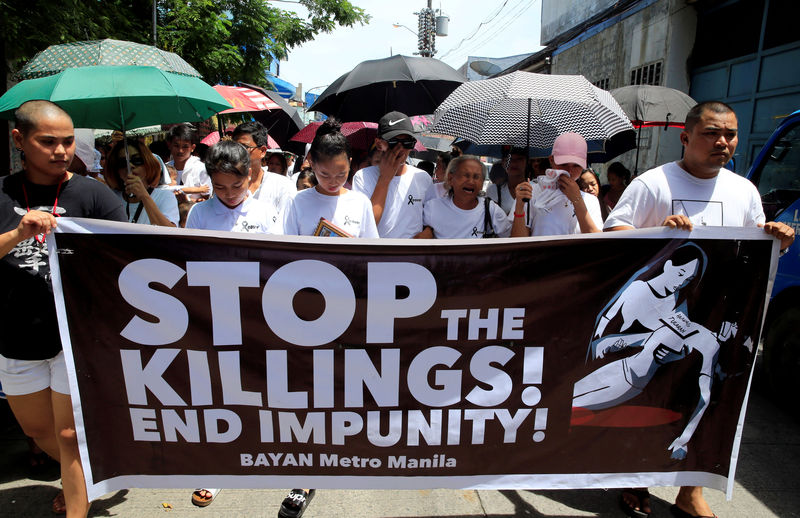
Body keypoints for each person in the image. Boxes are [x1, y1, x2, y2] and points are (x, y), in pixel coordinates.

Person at [604, 100, 795, 518]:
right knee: (654, 400)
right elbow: (614, 233)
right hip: (664, 322)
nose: (722, 142)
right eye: (711, 132)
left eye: (729, 134)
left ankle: (690, 492)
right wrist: (656, 234)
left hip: (719, 321)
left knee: (709, 401)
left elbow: (753, 246)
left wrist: (777, 238)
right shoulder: (652, 184)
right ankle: (635, 478)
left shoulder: (743, 190)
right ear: (686, 136)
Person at [0, 100, 127, 517]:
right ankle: (94, 471)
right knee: (38, 431)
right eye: (48, 141)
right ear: (19, 140)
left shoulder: (95, 195)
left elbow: (126, 260)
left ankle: (78, 506)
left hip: (78, 338)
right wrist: (19, 232)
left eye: (68, 141)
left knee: (70, 433)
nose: (61, 151)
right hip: (17, 335)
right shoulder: (2, 194)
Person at [283, 118, 378, 238]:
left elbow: (369, 248)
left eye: (341, 174)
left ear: (350, 164)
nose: (333, 182)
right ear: (312, 164)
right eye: (325, 174)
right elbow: (286, 246)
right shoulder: (295, 201)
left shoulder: (361, 203)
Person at [352, 111, 432, 238]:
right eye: (393, 143)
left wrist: (426, 234)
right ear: (379, 144)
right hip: (379, 255)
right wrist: (385, 179)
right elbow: (366, 226)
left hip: (411, 256)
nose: (400, 149)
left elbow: (431, 222)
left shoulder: (422, 178)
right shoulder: (362, 177)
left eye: (407, 143)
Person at [510, 133, 603, 237]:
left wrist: (577, 200)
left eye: (576, 165)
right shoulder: (530, 193)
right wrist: (519, 207)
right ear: (551, 160)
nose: (569, 171)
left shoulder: (590, 200)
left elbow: (596, 241)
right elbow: (518, 241)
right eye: (563, 164)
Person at [185, 140, 281, 234]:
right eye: (220, 187)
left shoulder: (266, 212)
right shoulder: (199, 213)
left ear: (249, 175)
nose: (230, 194)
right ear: (211, 180)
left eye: (237, 186)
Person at [419, 155, 511, 238]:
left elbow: (512, 241)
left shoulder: (491, 210)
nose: (471, 182)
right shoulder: (432, 208)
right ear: (451, 178)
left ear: (482, 182)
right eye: (466, 175)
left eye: (476, 177)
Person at [232, 122, 295, 225]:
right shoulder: (225, 184)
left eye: (244, 147)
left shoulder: (283, 186)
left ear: (262, 151)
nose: (237, 153)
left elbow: (286, 227)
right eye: (234, 147)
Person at [104, 140, 179, 226]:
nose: (130, 166)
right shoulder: (110, 198)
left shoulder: (165, 196)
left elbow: (170, 233)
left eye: (137, 160)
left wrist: (144, 196)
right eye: (122, 162)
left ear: (148, 163)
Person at [166, 124, 211, 201]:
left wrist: (187, 200)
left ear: (192, 148)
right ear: (169, 145)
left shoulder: (201, 168)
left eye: (185, 147)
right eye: (176, 146)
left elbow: (207, 199)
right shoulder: (165, 169)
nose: (180, 151)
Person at [486, 148, 529, 215]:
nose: (514, 163)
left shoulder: (537, 189)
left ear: (527, 162)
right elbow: (493, 219)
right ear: (503, 163)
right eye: (509, 159)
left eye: (519, 159)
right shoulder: (494, 190)